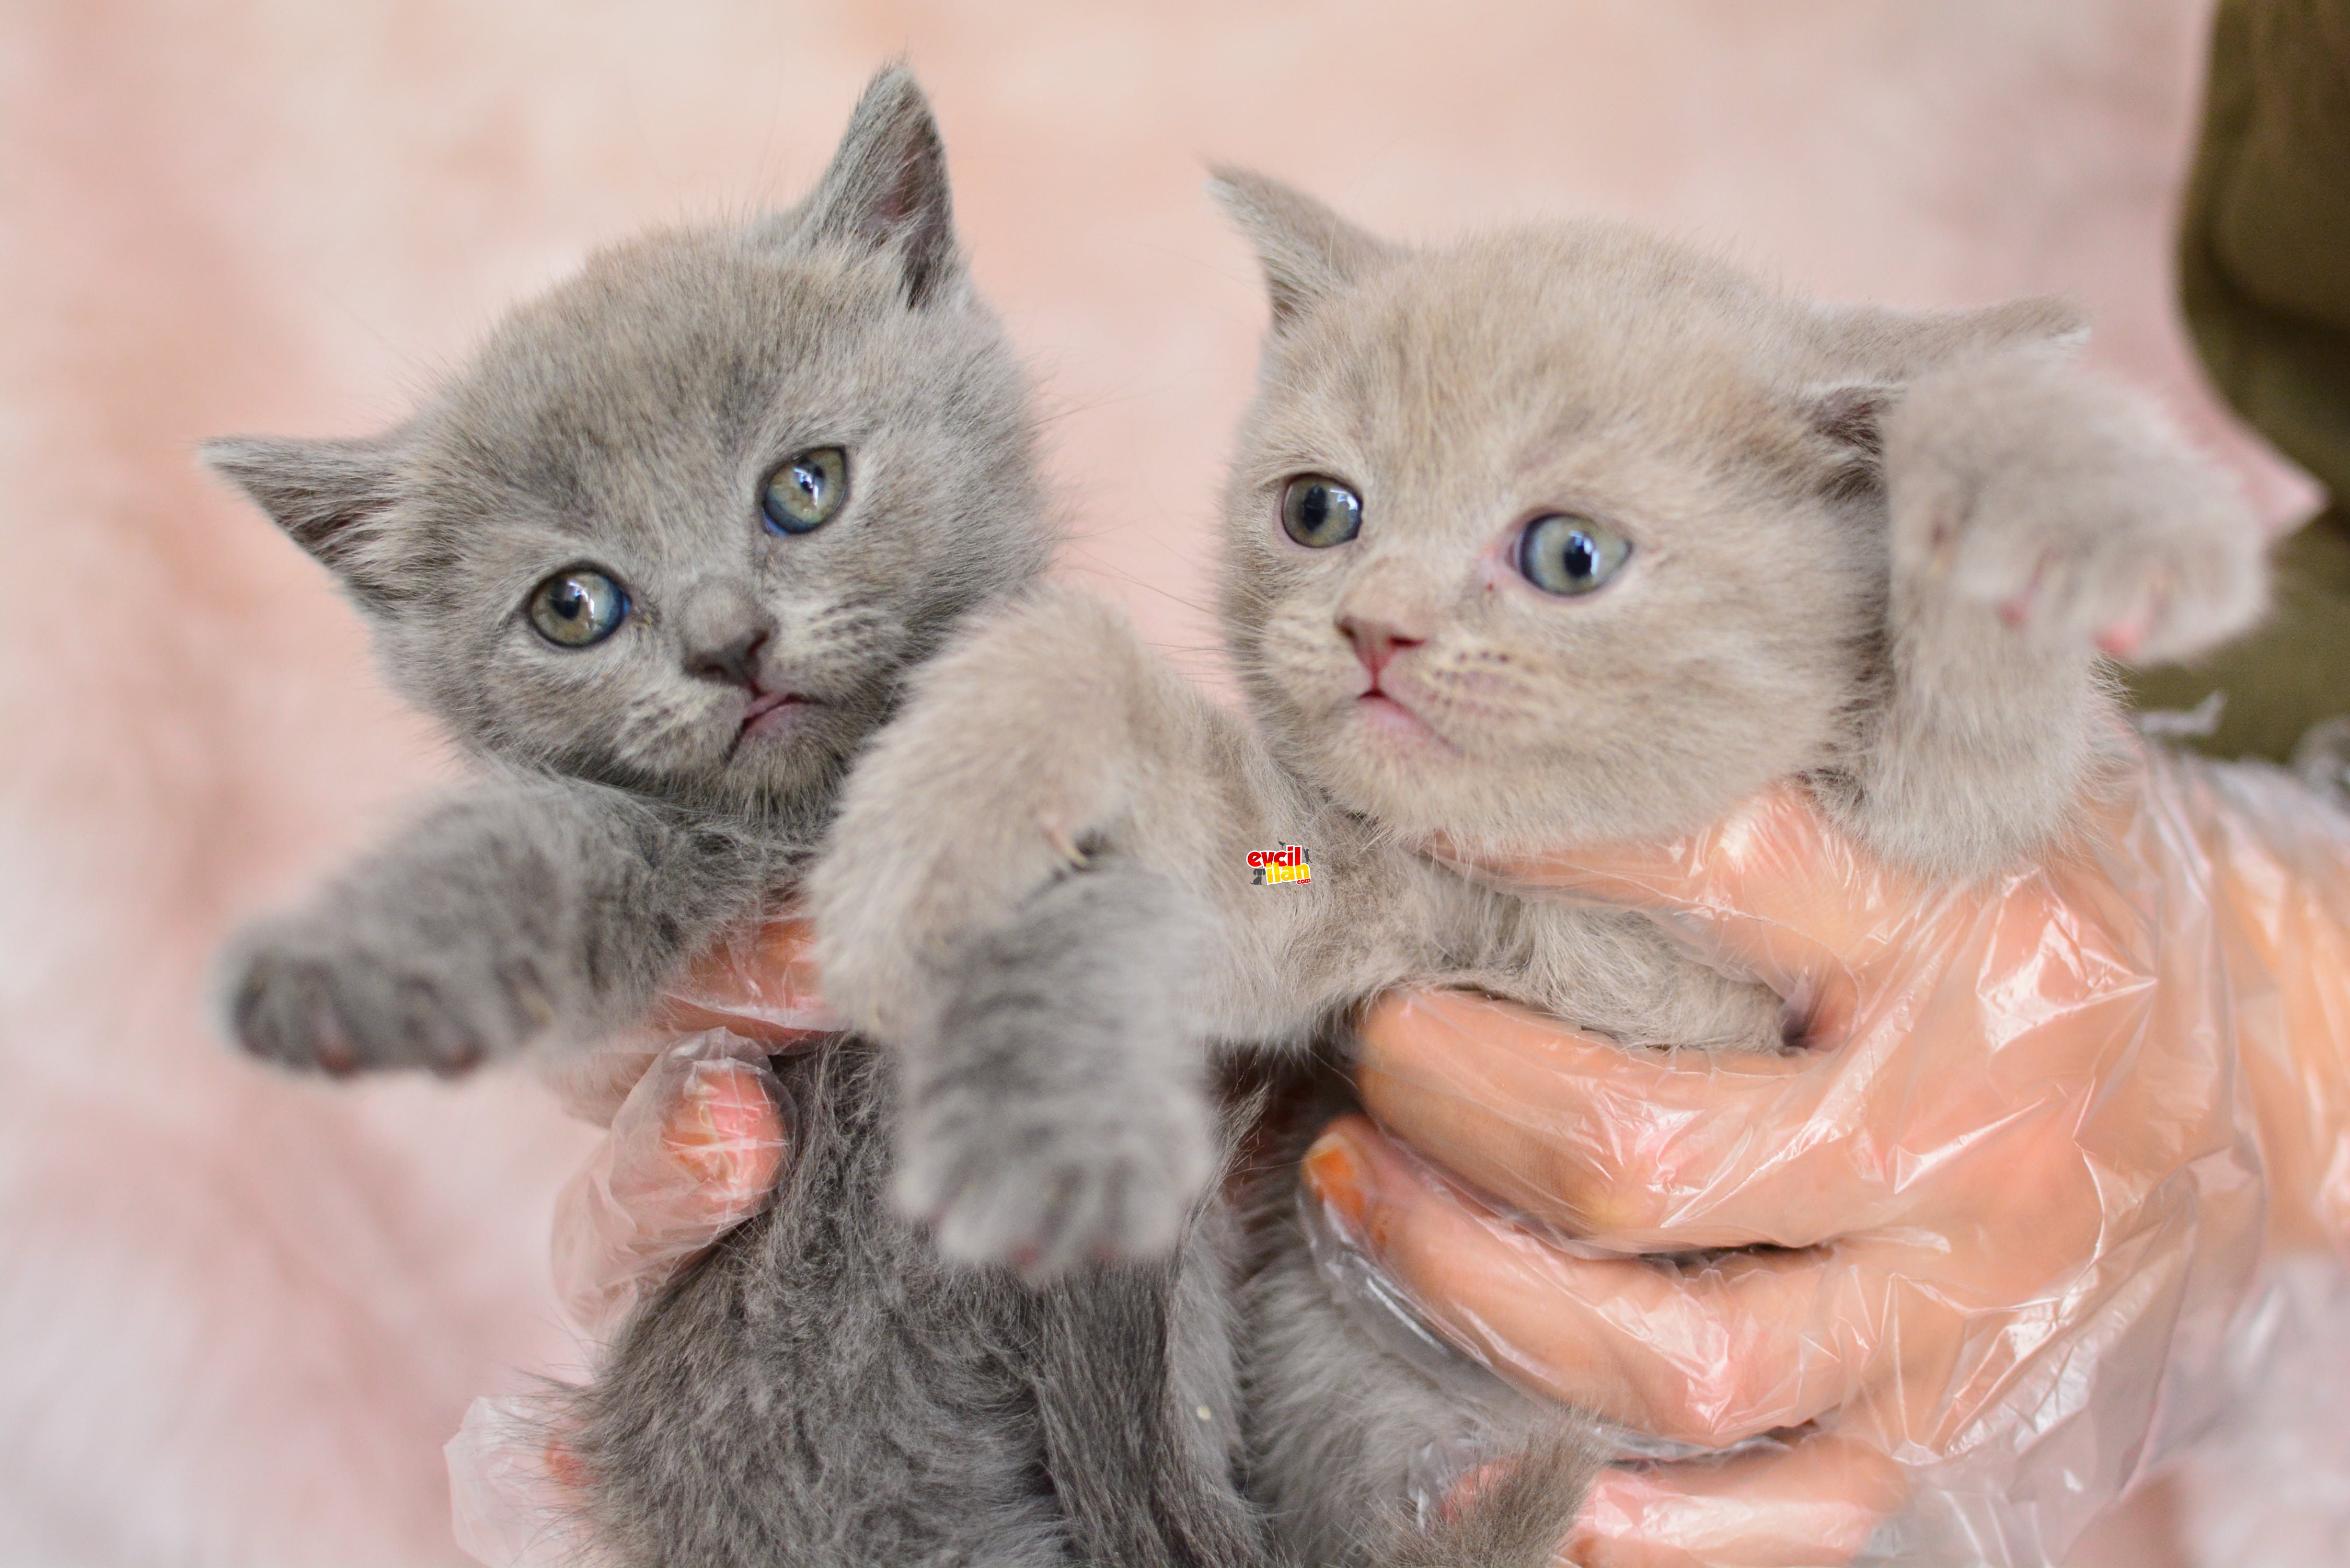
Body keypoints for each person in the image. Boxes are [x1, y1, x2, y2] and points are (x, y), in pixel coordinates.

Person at [501, 5, 2350, 1563]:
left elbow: (1979, 785)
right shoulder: (1358, 846)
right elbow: (1280, 879)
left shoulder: (1887, 755)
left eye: (1560, 556)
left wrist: (2271, 1004)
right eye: (1324, 513)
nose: (1378, 611)